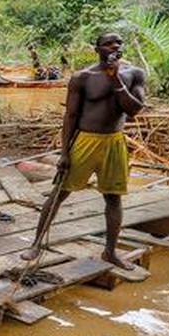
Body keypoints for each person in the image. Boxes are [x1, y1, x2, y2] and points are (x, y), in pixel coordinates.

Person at [22, 32, 146, 269]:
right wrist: (65, 153)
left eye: (118, 43)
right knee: (59, 193)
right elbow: (70, 116)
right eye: (108, 43)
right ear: (97, 49)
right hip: (85, 141)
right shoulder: (83, 77)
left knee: (113, 198)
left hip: (114, 141)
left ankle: (110, 252)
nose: (114, 46)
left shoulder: (134, 74)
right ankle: (36, 244)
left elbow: (134, 110)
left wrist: (116, 81)